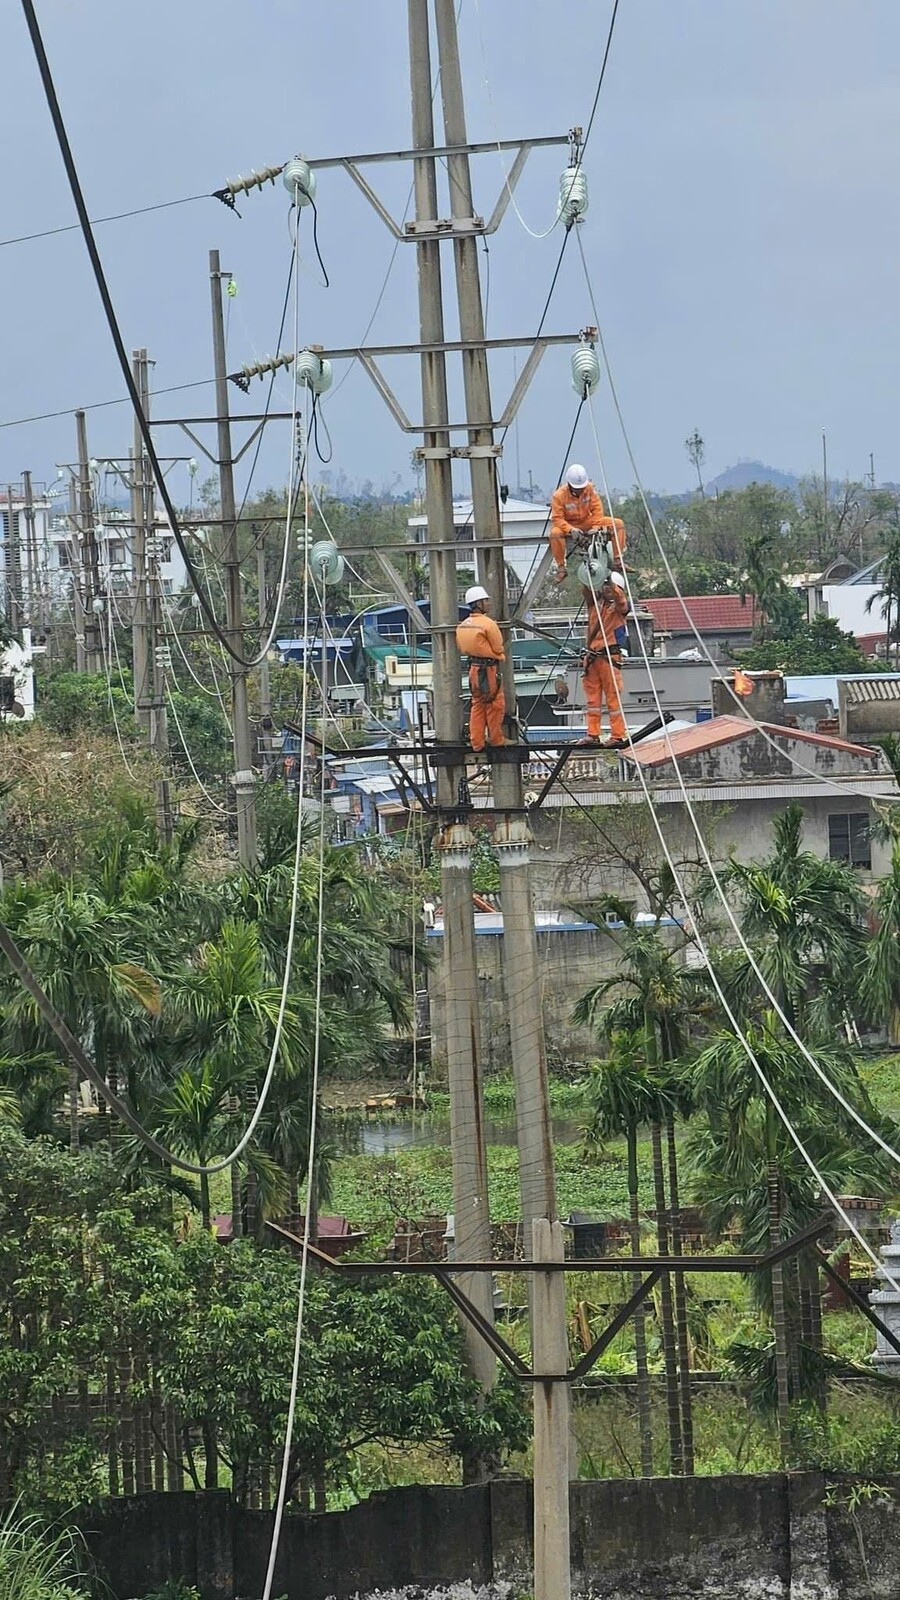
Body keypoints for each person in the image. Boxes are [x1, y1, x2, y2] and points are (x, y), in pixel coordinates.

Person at [550, 462, 627, 584]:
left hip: (588, 522)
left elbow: (597, 508)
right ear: (570, 485)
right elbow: (557, 518)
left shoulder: (589, 489)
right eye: (577, 488)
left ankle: (618, 561)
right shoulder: (559, 496)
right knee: (555, 533)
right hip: (569, 525)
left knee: (618, 524)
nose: (580, 491)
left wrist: (596, 526)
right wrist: (571, 529)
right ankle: (561, 568)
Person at [580, 570, 629, 748]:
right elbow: (586, 591)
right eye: (605, 586)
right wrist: (591, 573)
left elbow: (621, 600)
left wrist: (609, 579)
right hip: (593, 658)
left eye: (611, 587)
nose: (607, 589)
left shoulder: (619, 610)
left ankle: (617, 735)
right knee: (592, 701)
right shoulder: (595, 605)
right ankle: (593, 734)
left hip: (609, 658)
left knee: (612, 699)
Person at [455, 585, 506, 752]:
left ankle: (477, 743)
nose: (488, 603)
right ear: (478, 604)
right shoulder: (488, 624)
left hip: (473, 669)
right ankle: (496, 740)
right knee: (495, 703)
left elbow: (460, 646)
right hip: (489, 669)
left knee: (477, 704)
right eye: (485, 600)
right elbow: (498, 648)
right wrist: (498, 656)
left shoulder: (462, 625)